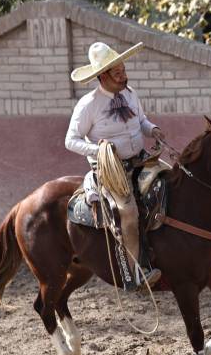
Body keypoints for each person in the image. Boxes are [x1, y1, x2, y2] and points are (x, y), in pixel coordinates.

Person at [65, 41, 163, 290]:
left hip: (141, 158)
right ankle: (135, 273)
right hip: (111, 170)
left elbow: (140, 120)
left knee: (172, 181)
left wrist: (152, 129)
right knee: (128, 213)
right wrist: (99, 150)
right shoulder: (88, 105)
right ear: (103, 76)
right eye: (117, 73)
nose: (124, 76)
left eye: (123, 70)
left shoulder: (130, 94)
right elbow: (71, 140)